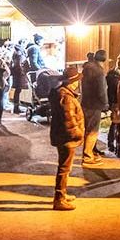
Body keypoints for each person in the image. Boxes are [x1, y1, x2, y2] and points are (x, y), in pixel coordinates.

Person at [48, 67, 85, 211]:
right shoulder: (66, 97)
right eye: (76, 81)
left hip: (63, 136)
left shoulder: (63, 93)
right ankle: (59, 199)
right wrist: (78, 133)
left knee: (65, 167)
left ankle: (62, 194)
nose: (77, 84)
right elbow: (68, 120)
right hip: (66, 138)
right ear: (71, 82)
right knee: (64, 168)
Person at [79, 50, 110, 166]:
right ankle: (87, 157)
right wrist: (105, 104)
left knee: (88, 129)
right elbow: (102, 91)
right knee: (92, 131)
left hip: (86, 102)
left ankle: (89, 153)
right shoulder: (99, 71)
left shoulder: (86, 68)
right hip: (95, 104)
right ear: (104, 59)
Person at [105, 58, 120, 154]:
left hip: (113, 103)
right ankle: (117, 146)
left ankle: (111, 143)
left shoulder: (111, 75)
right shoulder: (116, 78)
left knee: (115, 123)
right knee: (117, 124)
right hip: (117, 103)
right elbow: (115, 91)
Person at [8, 45, 28, 112]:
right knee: (18, 91)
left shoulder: (15, 54)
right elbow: (19, 65)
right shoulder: (19, 54)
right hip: (19, 75)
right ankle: (16, 108)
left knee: (17, 91)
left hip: (16, 75)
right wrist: (23, 72)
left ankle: (16, 107)